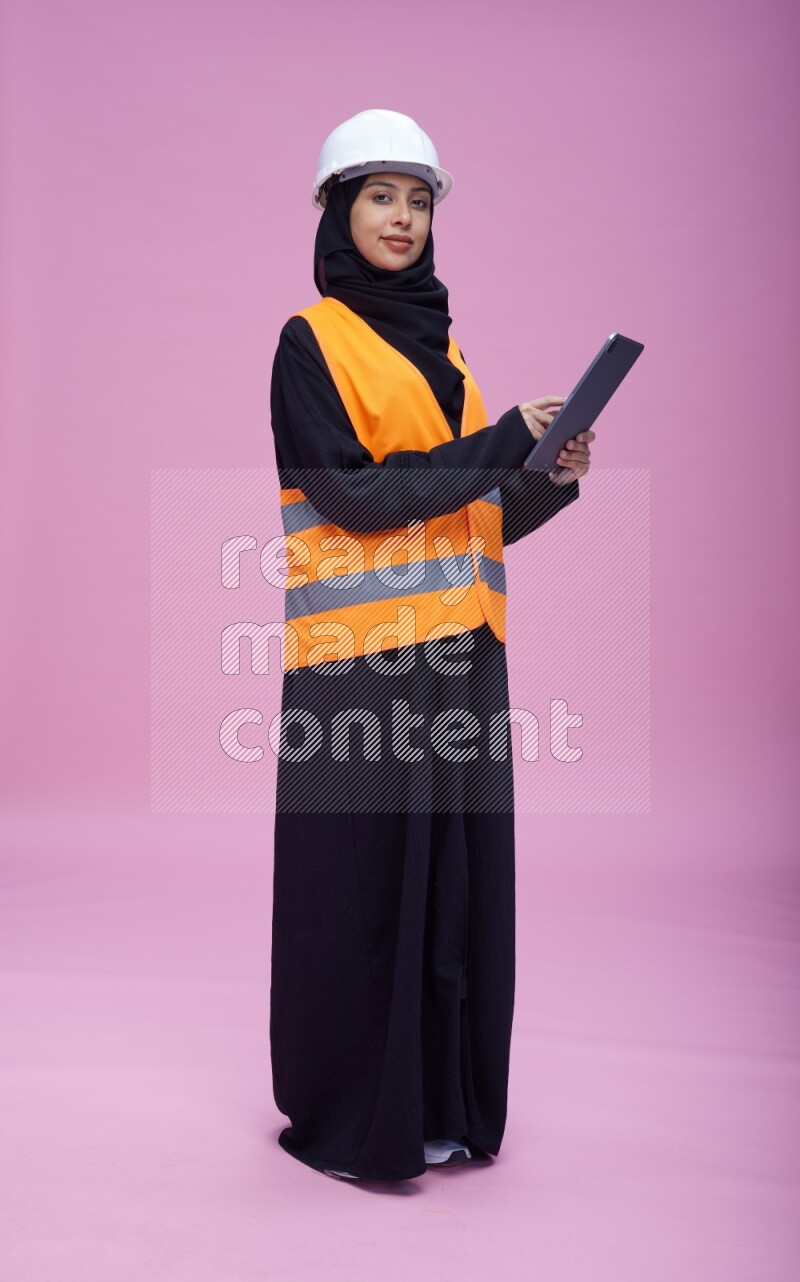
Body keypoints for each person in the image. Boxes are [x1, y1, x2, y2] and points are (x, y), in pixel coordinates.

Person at [268, 109, 594, 1182]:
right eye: (378, 196)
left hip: (460, 659)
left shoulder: (443, 347)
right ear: (335, 210)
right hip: (359, 669)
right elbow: (352, 495)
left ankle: (438, 1106)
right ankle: (358, 1116)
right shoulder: (308, 341)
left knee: (453, 886)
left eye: (417, 200)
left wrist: (544, 477)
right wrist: (501, 440)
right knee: (361, 892)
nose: (401, 218)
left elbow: (467, 516)